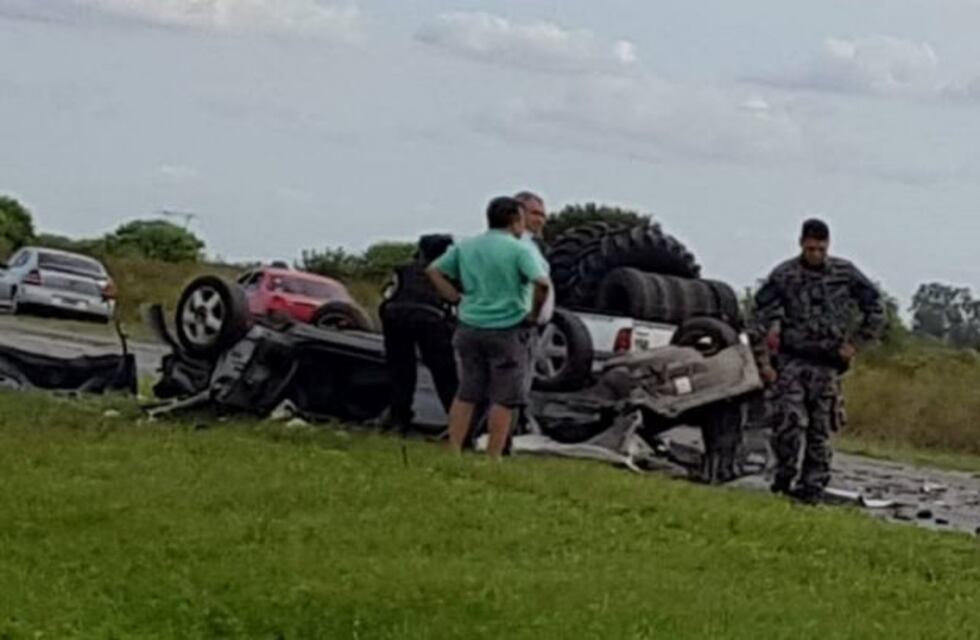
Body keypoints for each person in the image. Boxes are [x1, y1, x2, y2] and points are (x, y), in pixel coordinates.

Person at [752, 219, 884, 503]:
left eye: (821, 249)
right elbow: (759, 319)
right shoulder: (784, 275)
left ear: (828, 246)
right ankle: (784, 476)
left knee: (820, 429)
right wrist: (763, 363)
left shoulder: (844, 274)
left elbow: (874, 307)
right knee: (788, 422)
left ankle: (812, 487)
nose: (815, 254)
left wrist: (856, 343)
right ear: (801, 244)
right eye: (811, 249)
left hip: (827, 363)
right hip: (791, 360)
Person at [427, 196, 550, 459]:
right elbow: (542, 283)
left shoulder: (467, 246)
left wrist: (454, 297)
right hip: (508, 327)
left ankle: (453, 448)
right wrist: (533, 314)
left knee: (467, 392)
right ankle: (493, 455)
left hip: (470, 325)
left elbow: (434, 271)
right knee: (504, 397)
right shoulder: (520, 249)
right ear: (516, 220)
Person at [378, 234, 458, 434]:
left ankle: (398, 417)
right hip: (430, 319)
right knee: (444, 372)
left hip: (396, 316)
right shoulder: (448, 271)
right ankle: (457, 420)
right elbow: (456, 299)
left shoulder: (402, 269)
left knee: (401, 369)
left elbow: (388, 293)